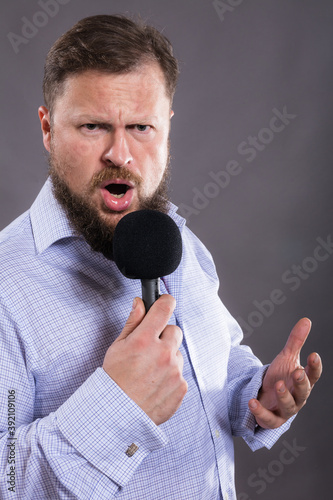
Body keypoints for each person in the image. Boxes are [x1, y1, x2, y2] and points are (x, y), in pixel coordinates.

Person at [0, 14, 322, 500]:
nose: (120, 154)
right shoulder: (7, 286)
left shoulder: (176, 240)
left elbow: (210, 358)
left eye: (141, 127)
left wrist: (255, 395)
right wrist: (117, 406)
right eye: (92, 126)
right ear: (48, 129)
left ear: (166, 128)